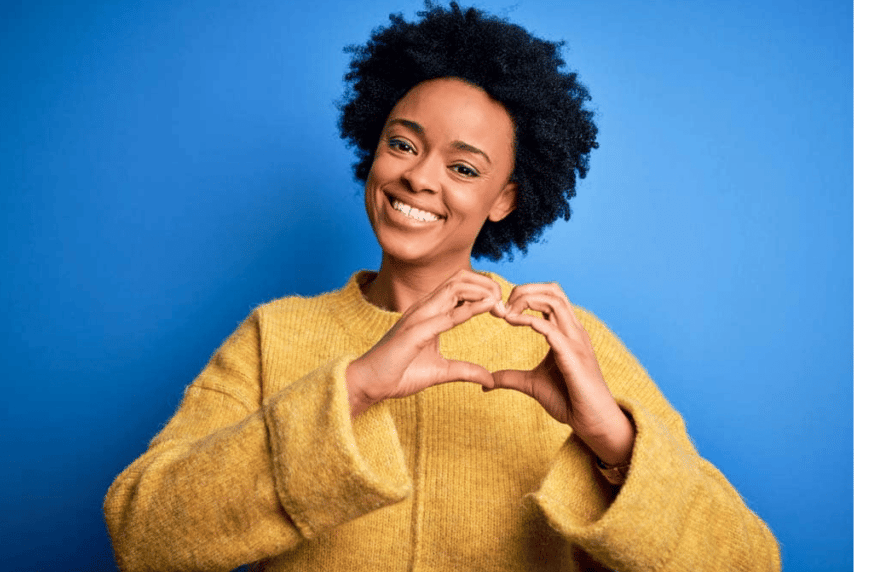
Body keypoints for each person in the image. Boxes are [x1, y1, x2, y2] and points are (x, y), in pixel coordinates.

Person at [104, 3, 780, 570]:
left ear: (504, 198)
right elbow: (141, 532)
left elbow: (750, 561)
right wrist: (357, 387)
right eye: (403, 144)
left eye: (463, 167)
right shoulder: (275, 334)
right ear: (373, 149)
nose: (420, 178)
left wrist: (612, 440)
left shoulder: (573, 348)